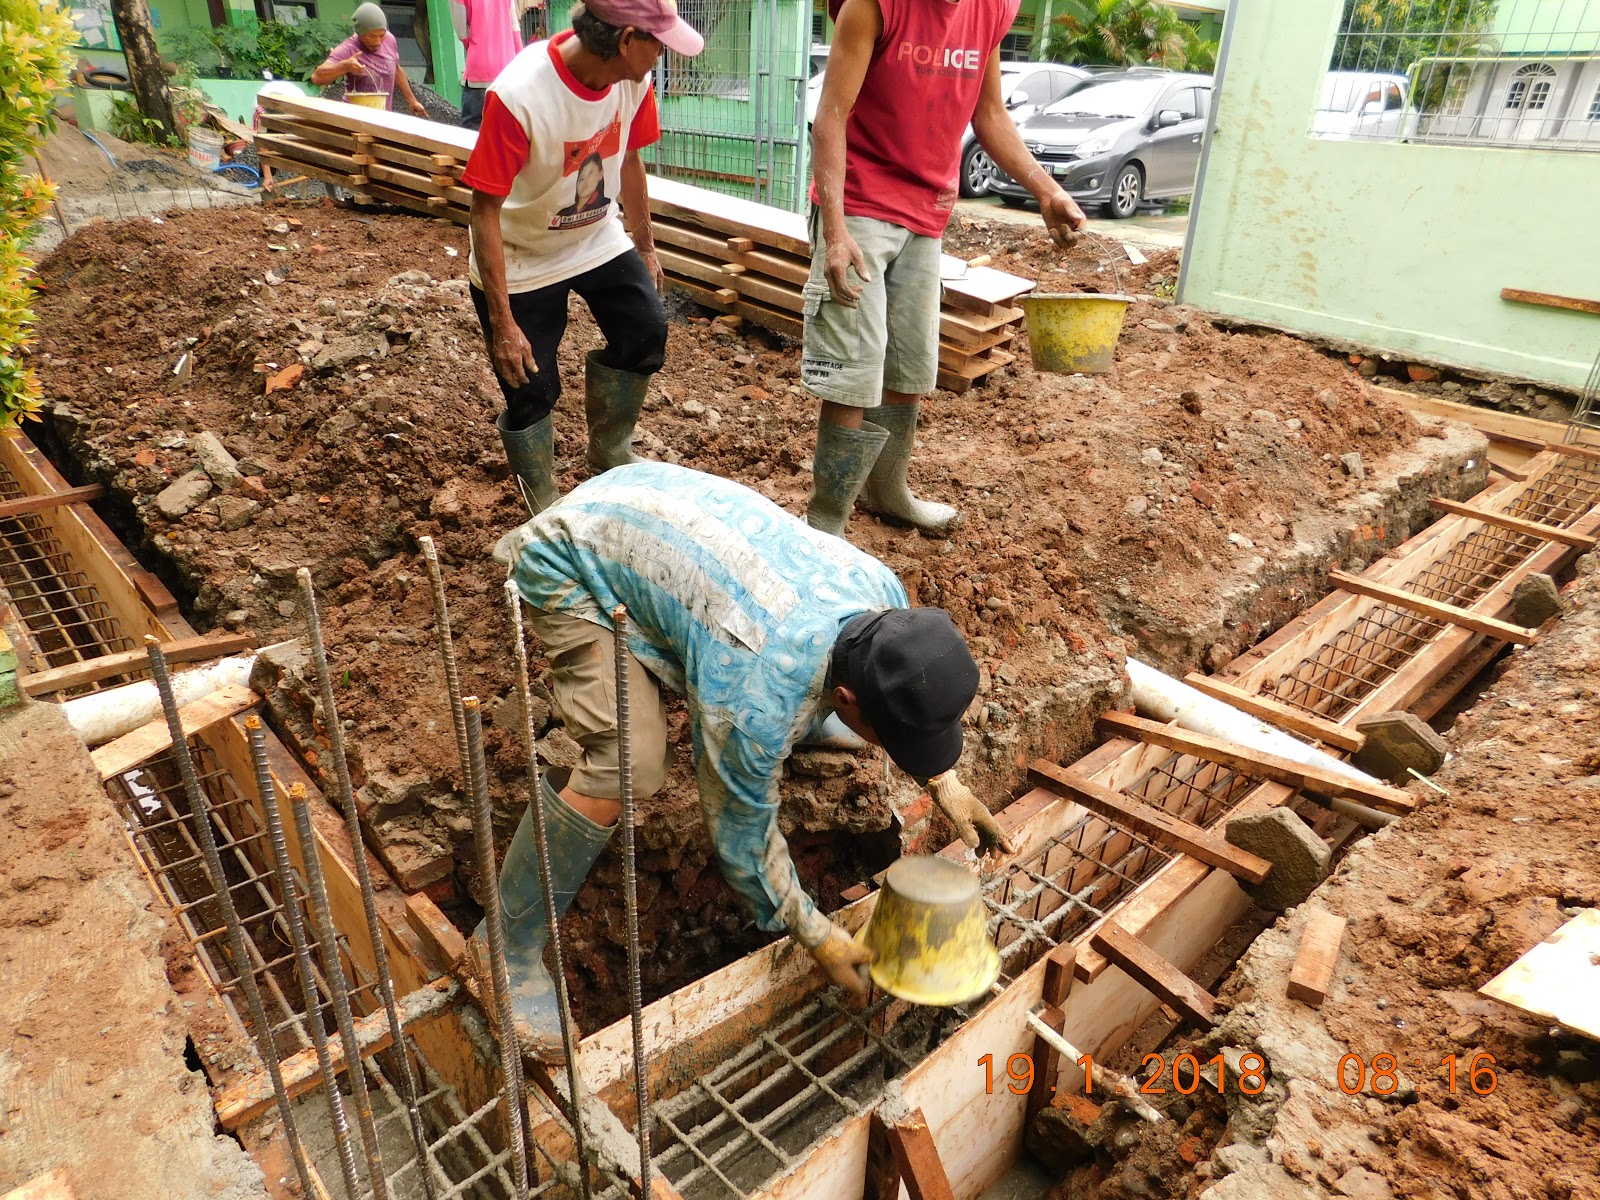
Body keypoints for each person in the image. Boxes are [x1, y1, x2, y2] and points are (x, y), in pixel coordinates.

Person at [474, 462, 1012, 1059]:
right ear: (845, 698)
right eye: (899, 740)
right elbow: (740, 829)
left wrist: (946, 783)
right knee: (631, 764)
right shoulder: (751, 698)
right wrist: (814, 932)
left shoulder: (882, 593)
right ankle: (507, 945)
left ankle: (810, 723)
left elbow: (899, 692)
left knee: (805, 723)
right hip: (576, 555)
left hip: (653, 506)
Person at [801, 0, 1089, 538]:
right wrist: (834, 230)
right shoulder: (873, 6)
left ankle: (888, 492)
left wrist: (1047, 190)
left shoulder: (993, 9)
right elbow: (831, 117)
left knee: (910, 364)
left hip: (927, 210)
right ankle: (826, 520)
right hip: (859, 202)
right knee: (853, 372)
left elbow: (991, 116)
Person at [462, 0, 702, 521]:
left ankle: (608, 451)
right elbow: (484, 209)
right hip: (521, 250)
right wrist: (503, 322)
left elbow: (632, 160)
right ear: (625, 41)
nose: (662, 54)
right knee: (531, 385)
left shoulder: (632, 81)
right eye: (657, 42)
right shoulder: (520, 94)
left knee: (645, 331)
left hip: (595, 236)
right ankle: (543, 504)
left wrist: (644, 246)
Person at [310, 3, 428, 117]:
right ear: (360, 33)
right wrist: (344, 66)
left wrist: (412, 101)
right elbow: (317, 77)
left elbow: (396, 68)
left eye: (381, 35)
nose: (377, 41)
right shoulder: (348, 49)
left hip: (383, 117)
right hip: (355, 119)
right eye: (372, 36)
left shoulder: (390, 40)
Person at [450, 0, 524, 131]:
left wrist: (475, 48)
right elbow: (515, 30)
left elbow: (462, 32)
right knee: (505, 131)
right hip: (508, 72)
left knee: (472, 129)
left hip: (479, 71)